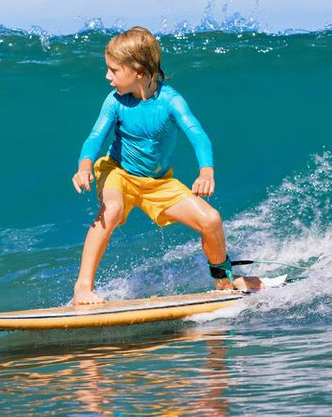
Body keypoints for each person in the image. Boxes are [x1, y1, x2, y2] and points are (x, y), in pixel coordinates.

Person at [71, 26, 262, 305]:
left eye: (114, 70)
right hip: (117, 173)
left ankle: (223, 279)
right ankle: (83, 288)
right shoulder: (114, 102)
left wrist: (206, 170)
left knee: (211, 220)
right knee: (112, 209)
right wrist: (84, 166)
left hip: (157, 182)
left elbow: (197, 134)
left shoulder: (171, 101)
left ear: (137, 71)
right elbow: (94, 138)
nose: (107, 76)